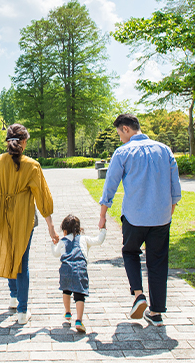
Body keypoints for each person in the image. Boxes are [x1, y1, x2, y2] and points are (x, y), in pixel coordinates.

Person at [0, 124, 59, 325]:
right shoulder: (32, 165)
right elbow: (43, 198)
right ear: (24, 142)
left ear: (7, 141)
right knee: (21, 261)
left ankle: (14, 296)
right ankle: (22, 311)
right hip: (24, 218)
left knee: (9, 255)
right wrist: (51, 226)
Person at [98, 114, 181, 327]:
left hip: (134, 217)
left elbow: (110, 185)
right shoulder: (164, 150)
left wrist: (102, 215)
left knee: (130, 252)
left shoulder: (123, 152)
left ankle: (138, 295)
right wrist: (168, 213)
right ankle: (156, 313)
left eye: (119, 134)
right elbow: (175, 188)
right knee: (158, 261)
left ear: (126, 129)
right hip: (161, 218)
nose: (120, 138)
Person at [51, 214, 106, 332]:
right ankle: (79, 320)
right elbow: (99, 240)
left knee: (66, 290)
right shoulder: (83, 238)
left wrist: (54, 244)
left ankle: (67, 312)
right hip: (80, 269)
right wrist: (103, 229)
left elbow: (56, 254)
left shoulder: (63, 240)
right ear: (79, 229)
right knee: (79, 295)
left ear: (64, 230)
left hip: (65, 269)